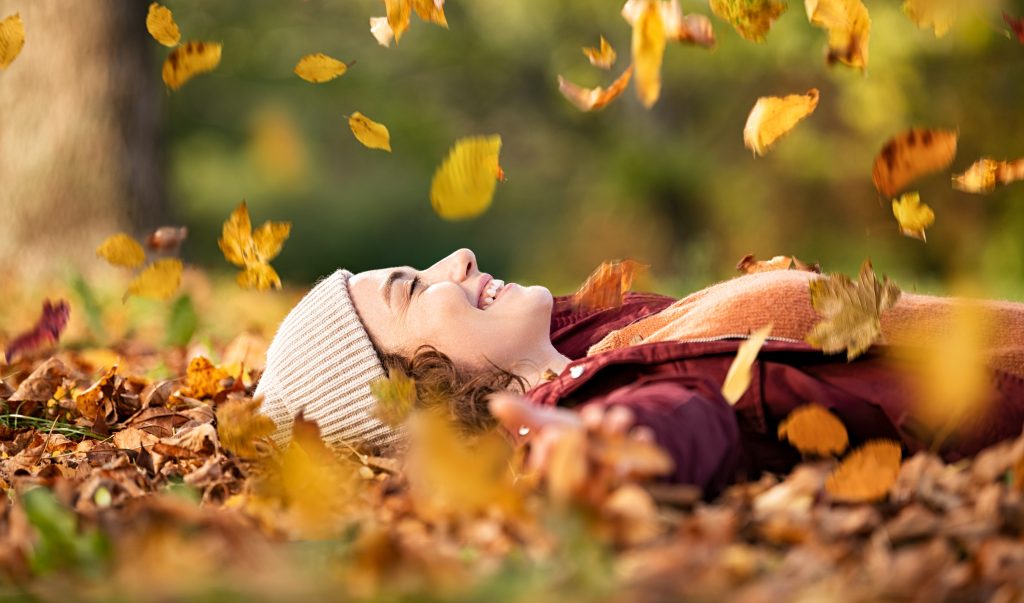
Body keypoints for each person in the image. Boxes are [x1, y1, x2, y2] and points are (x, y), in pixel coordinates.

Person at [254, 248, 1024, 495]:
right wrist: (611, 450)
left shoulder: (597, 338)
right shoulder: (606, 398)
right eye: (414, 289)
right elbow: (687, 420)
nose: (457, 258)